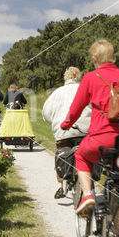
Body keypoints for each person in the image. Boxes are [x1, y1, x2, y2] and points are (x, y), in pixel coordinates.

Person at [60, 39, 119, 215]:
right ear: (113, 57)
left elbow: (76, 108)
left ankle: (88, 195)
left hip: (101, 139)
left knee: (81, 155)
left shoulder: (91, 77)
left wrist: (66, 124)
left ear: (94, 58)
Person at [42, 67, 92, 199]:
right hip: (84, 132)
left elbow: (46, 115)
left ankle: (61, 187)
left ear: (65, 78)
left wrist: (54, 120)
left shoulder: (57, 93)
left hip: (64, 132)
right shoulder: (86, 89)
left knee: (62, 152)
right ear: (78, 77)